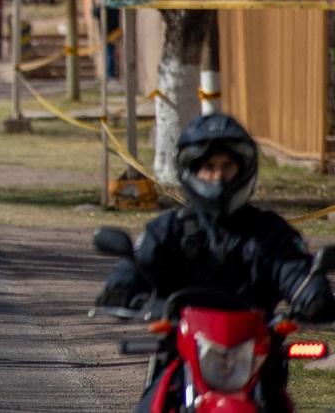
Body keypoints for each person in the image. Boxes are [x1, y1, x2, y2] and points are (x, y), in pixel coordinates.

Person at [97, 114, 335, 412]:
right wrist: (120, 287)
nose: (218, 177)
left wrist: (313, 295)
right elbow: (139, 263)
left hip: (256, 360)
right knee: (150, 406)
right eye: (209, 168)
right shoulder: (170, 228)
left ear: (244, 170)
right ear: (191, 171)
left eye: (227, 167)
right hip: (183, 353)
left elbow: (294, 270)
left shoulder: (270, 232)